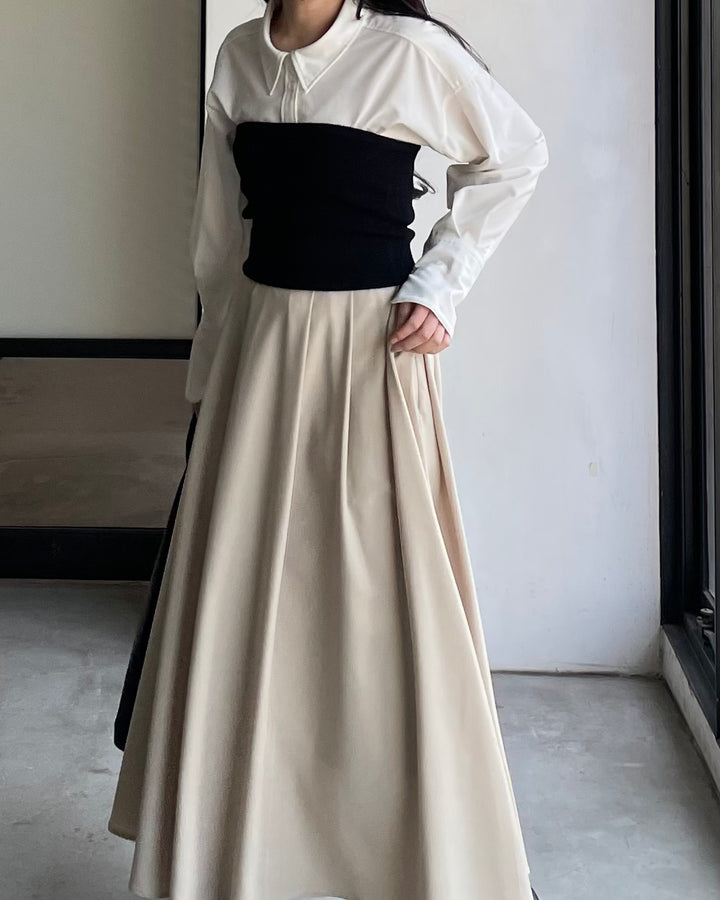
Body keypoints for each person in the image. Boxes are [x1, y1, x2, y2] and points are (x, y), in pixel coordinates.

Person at [107, 1, 549, 898]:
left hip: (368, 357)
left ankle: (410, 860)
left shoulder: (406, 51)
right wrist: (212, 379)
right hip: (259, 352)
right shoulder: (239, 57)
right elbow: (218, 239)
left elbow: (515, 155)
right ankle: (237, 857)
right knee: (240, 600)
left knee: (383, 604)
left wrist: (441, 286)